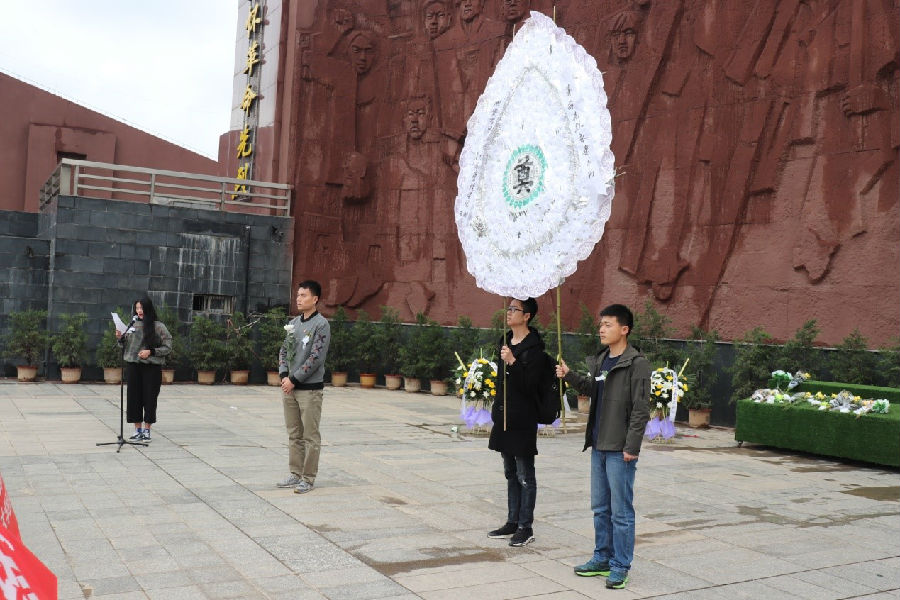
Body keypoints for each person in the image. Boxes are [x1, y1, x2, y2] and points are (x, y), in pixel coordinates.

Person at [555, 304, 650, 589]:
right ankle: (602, 558)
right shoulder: (601, 359)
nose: (601, 329)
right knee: (600, 508)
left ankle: (620, 566)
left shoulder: (636, 364)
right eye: (601, 324)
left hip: (620, 448)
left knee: (621, 511)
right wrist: (569, 375)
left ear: (624, 329)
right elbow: (591, 388)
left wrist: (632, 447)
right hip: (598, 445)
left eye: (608, 324)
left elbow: (641, 410)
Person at [487, 297, 544, 547]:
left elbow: (531, 386)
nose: (509, 312)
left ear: (527, 315)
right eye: (508, 308)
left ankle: (525, 526)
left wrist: (512, 361)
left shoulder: (535, 348)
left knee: (524, 475)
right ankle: (512, 521)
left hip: (523, 418)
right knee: (510, 473)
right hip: (504, 416)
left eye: (514, 309)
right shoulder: (505, 340)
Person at [276, 280, 331, 494]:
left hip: (309, 389)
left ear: (315, 299)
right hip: (290, 387)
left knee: (310, 436)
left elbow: (316, 358)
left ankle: (308, 478)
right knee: (294, 433)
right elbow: (283, 351)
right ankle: (295, 473)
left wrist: (294, 379)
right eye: (298, 295)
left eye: (303, 295)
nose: (298, 299)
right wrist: (284, 375)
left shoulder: (321, 325)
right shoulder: (294, 324)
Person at [117, 296, 172, 443]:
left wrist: (151, 352)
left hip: (151, 368)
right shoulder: (131, 325)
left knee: (150, 398)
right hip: (133, 366)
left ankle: (147, 431)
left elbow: (168, 347)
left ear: (148, 308)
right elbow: (123, 346)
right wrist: (120, 338)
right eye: (137, 308)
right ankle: (137, 430)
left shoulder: (158, 326)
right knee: (133, 398)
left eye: (141, 308)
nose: (139, 311)